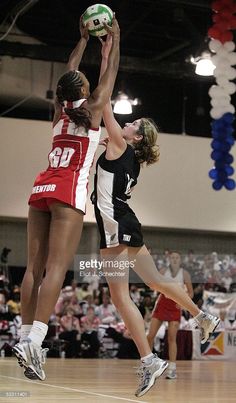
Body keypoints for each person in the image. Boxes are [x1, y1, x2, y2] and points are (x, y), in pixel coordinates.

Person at [92, 36, 220, 398]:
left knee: (120, 297)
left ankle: (150, 361)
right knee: (157, 282)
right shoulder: (125, 153)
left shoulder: (120, 144)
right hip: (128, 222)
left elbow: (103, 99)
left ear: (134, 137)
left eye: (131, 124)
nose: (126, 123)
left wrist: (107, 57)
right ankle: (202, 316)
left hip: (116, 226)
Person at [12, 15, 120, 381]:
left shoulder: (59, 113)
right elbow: (108, 80)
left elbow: (69, 71)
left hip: (40, 187)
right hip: (67, 190)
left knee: (33, 269)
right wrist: (113, 42)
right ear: (85, 93)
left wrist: (83, 40)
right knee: (58, 268)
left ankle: (24, 335)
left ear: (61, 96)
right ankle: (37, 338)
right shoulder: (91, 114)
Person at [147, 251, 194, 380]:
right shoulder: (162, 271)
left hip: (175, 306)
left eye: (177, 257)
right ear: (169, 259)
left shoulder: (185, 274)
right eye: (172, 257)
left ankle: (172, 369)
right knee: (150, 336)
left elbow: (191, 293)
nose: (174, 259)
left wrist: (183, 301)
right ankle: (149, 366)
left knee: (172, 338)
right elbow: (154, 286)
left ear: (180, 260)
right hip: (162, 302)